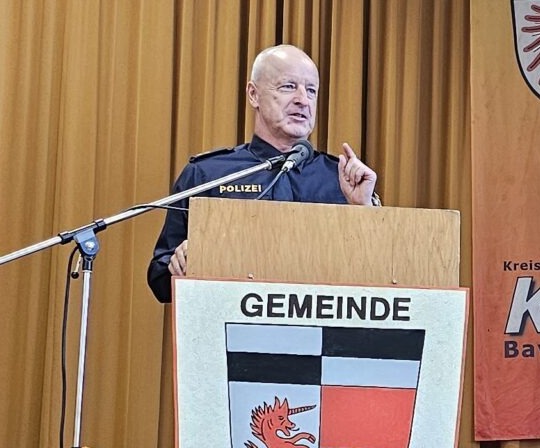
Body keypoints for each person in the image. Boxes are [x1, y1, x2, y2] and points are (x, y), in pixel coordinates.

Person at [146, 45, 378, 301]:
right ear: (254, 95)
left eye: (311, 90)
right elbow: (159, 280)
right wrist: (179, 264)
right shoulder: (209, 174)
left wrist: (364, 210)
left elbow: (380, 275)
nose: (303, 99)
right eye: (288, 86)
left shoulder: (343, 179)